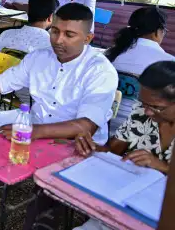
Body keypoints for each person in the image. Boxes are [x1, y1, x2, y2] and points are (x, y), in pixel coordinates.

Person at [0, 3, 118, 230]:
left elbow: (86, 126)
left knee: (46, 193)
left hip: (73, 144)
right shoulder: (39, 57)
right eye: (55, 31)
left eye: (69, 34)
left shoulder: (100, 70)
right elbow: (1, 83)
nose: (59, 40)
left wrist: (33, 132)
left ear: (88, 38)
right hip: (32, 129)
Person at [74, 61, 175, 230]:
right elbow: (113, 150)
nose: (148, 112)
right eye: (144, 103)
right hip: (124, 203)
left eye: (157, 107)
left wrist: (164, 167)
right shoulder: (141, 112)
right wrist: (93, 147)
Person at [105, 6, 174, 132]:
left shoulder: (111, 54)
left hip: (104, 126)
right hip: (140, 132)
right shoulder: (169, 63)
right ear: (158, 32)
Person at [0, 0, 59, 105]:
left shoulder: (6, 34)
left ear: (27, 12)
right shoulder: (50, 43)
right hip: (30, 97)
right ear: (51, 17)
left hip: (0, 88)